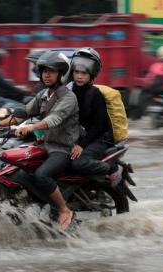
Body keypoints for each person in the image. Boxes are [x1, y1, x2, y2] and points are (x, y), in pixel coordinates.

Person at [0, 50, 79, 230]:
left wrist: (30, 127)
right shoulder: (43, 96)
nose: (46, 75)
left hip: (62, 148)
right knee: (14, 165)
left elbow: (54, 119)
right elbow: (23, 113)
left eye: (52, 71)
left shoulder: (69, 98)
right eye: (44, 71)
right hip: (44, 145)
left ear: (61, 74)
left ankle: (64, 210)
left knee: (42, 175)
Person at [67, 47, 122, 183]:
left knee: (77, 163)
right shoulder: (68, 91)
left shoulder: (95, 94)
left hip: (101, 139)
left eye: (84, 73)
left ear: (92, 74)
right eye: (77, 72)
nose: (79, 76)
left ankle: (111, 168)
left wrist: (81, 145)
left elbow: (98, 126)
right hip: (82, 136)